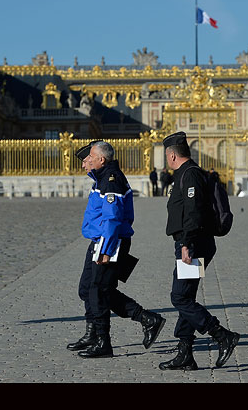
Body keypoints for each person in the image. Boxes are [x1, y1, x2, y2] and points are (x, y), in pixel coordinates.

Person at [67, 140, 165, 358]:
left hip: (109, 241)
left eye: (89, 159)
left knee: (100, 291)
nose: (85, 164)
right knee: (87, 289)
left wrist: (106, 249)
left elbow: (112, 219)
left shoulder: (111, 181)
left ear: (101, 160)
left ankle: (105, 340)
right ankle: (93, 333)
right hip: (99, 240)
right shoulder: (101, 178)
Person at [159, 131, 239, 370]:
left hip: (193, 243)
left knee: (180, 297)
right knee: (187, 297)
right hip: (193, 241)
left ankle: (222, 335)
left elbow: (193, 213)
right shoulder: (185, 173)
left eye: (166, 156)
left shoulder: (190, 175)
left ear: (172, 155)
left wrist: (186, 244)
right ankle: (186, 353)